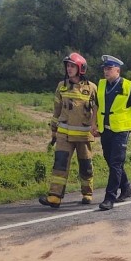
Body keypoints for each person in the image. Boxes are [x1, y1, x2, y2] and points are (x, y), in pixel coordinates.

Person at [39, 53, 98, 208]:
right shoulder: (61, 86)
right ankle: (54, 197)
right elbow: (56, 110)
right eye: (68, 66)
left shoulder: (91, 88)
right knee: (60, 163)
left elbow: (98, 109)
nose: (69, 68)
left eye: (72, 66)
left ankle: (87, 193)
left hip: (84, 136)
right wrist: (53, 131)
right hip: (64, 134)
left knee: (86, 165)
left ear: (81, 68)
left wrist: (95, 126)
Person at [95, 55, 131, 211]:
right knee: (111, 162)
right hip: (105, 130)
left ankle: (109, 198)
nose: (106, 71)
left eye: (109, 69)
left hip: (121, 131)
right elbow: (96, 106)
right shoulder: (102, 85)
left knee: (116, 163)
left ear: (118, 70)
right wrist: (93, 124)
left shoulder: (127, 86)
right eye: (105, 68)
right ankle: (126, 188)